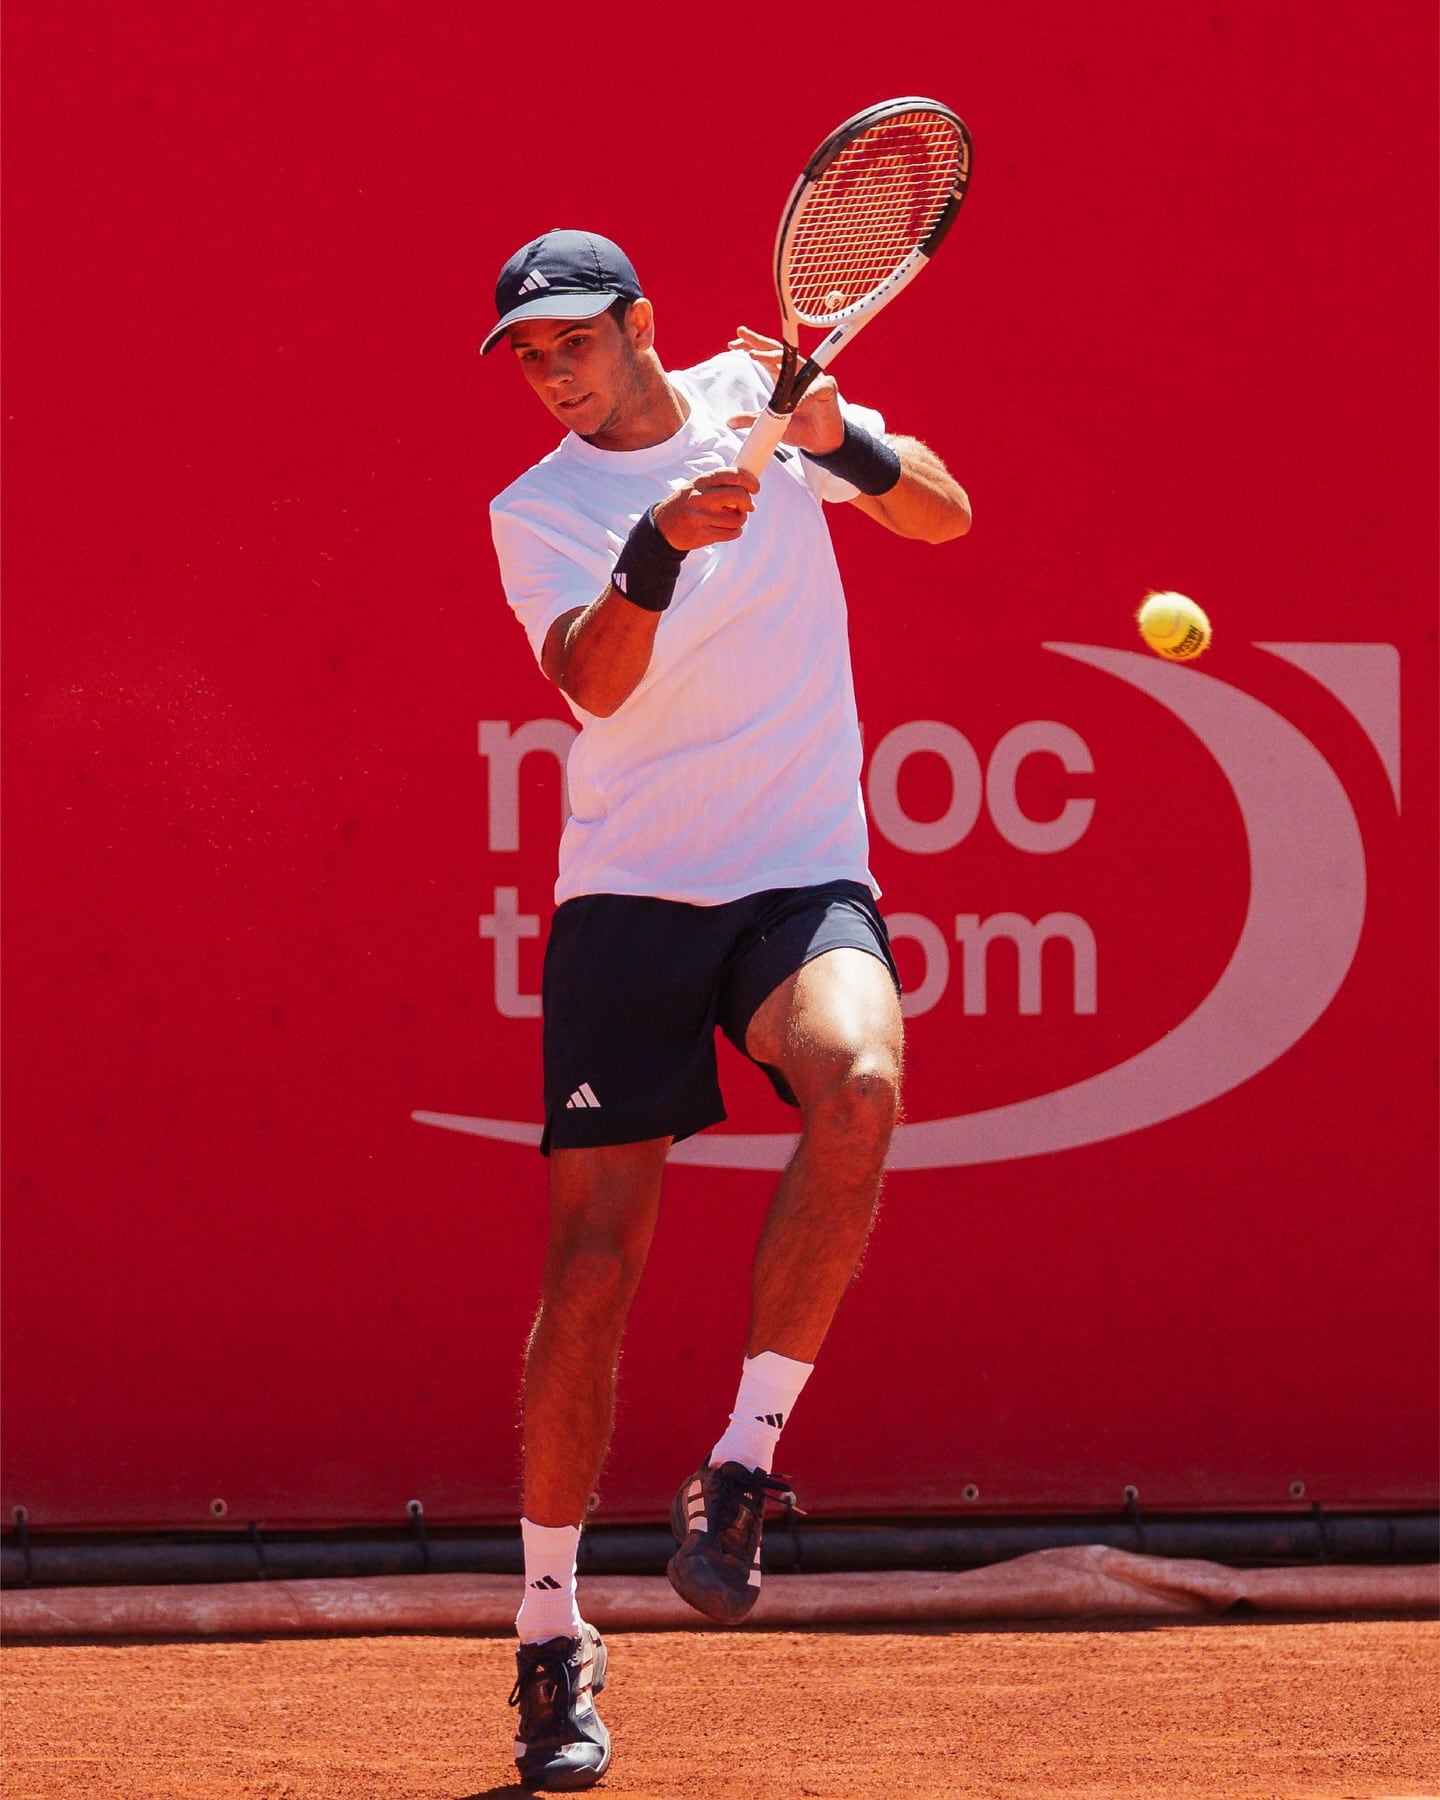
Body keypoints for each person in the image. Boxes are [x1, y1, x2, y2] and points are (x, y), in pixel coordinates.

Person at [482, 228, 970, 1791]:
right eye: (529, 357)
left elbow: (946, 517)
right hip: (629, 897)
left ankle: (744, 1467)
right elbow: (594, 680)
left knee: (864, 1080)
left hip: (796, 868)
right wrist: (656, 546)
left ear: (638, 324)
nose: (552, 375)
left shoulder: (756, 387)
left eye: (571, 340)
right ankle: (550, 1632)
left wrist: (840, 438)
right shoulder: (536, 508)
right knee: (595, 1268)